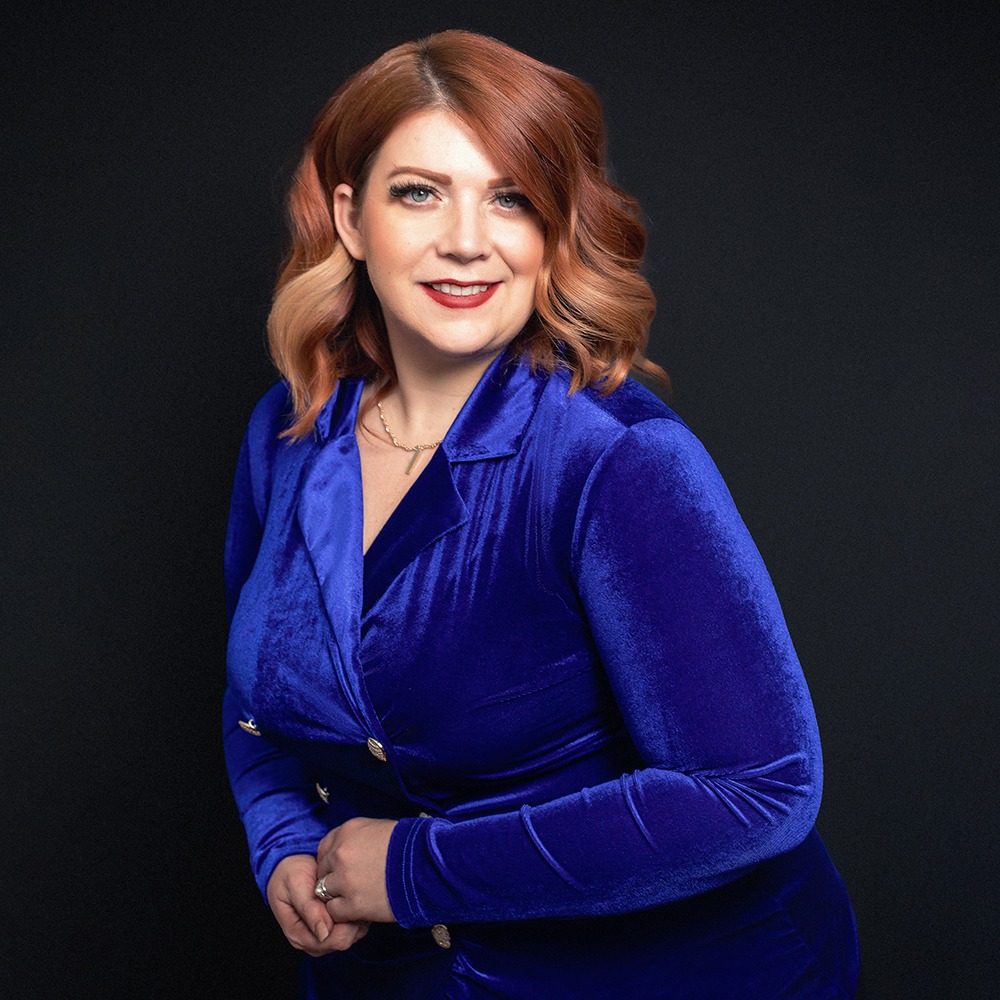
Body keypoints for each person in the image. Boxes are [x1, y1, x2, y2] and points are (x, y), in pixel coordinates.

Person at [223, 29, 860, 999]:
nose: (468, 239)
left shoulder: (614, 458)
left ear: (554, 228)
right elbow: (259, 694)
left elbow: (757, 790)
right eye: (419, 192)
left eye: (511, 196)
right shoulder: (289, 428)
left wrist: (409, 869)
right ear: (351, 218)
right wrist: (282, 837)